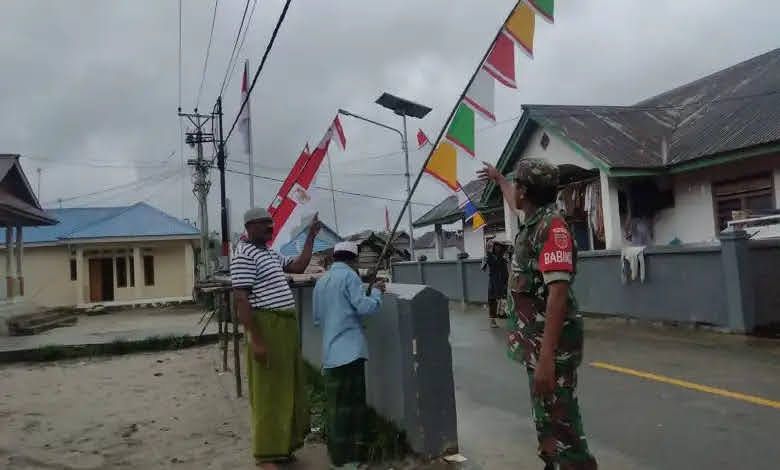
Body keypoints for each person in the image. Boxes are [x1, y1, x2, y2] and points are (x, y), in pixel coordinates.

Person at [479, 158, 598, 470]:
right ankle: (553, 461)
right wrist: (499, 179)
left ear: (526, 192)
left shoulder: (552, 227)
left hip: (551, 347)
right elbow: (513, 202)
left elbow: (558, 294)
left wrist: (546, 358)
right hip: (536, 344)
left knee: (562, 421)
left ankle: (574, 464)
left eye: (516, 185)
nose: (513, 190)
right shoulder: (533, 218)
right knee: (546, 414)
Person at [231, 208, 321, 469]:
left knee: (288, 388)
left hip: (284, 328)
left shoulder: (268, 252)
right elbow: (241, 299)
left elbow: (298, 266)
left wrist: (311, 237)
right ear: (250, 227)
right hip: (267, 327)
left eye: (271, 224)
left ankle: (283, 447)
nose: (271, 228)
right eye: (265, 225)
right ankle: (266, 455)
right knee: (269, 392)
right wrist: (257, 340)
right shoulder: (244, 255)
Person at [312, 241, 386, 469]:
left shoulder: (321, 282)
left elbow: (317, 318)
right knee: (352, 410)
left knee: (336, 410)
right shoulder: (350, 278)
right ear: (353, 260)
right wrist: (376, 292)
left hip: (331, 355)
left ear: (334, 258)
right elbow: (365, 308)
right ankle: (351, 461)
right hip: (350, 353)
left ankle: (338, 458)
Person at [481, 240, 509, 328]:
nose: (498, 248)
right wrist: (488, 254)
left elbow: (506, 268)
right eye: (497, 246)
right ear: (493, 247)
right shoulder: (489, 256)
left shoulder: (503, 257)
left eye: (500, 246)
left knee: (504, 297)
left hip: (503, 280)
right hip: (494, 281)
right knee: (492, 300)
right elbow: (483, 267)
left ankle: (502, 313)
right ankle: (492, 320)